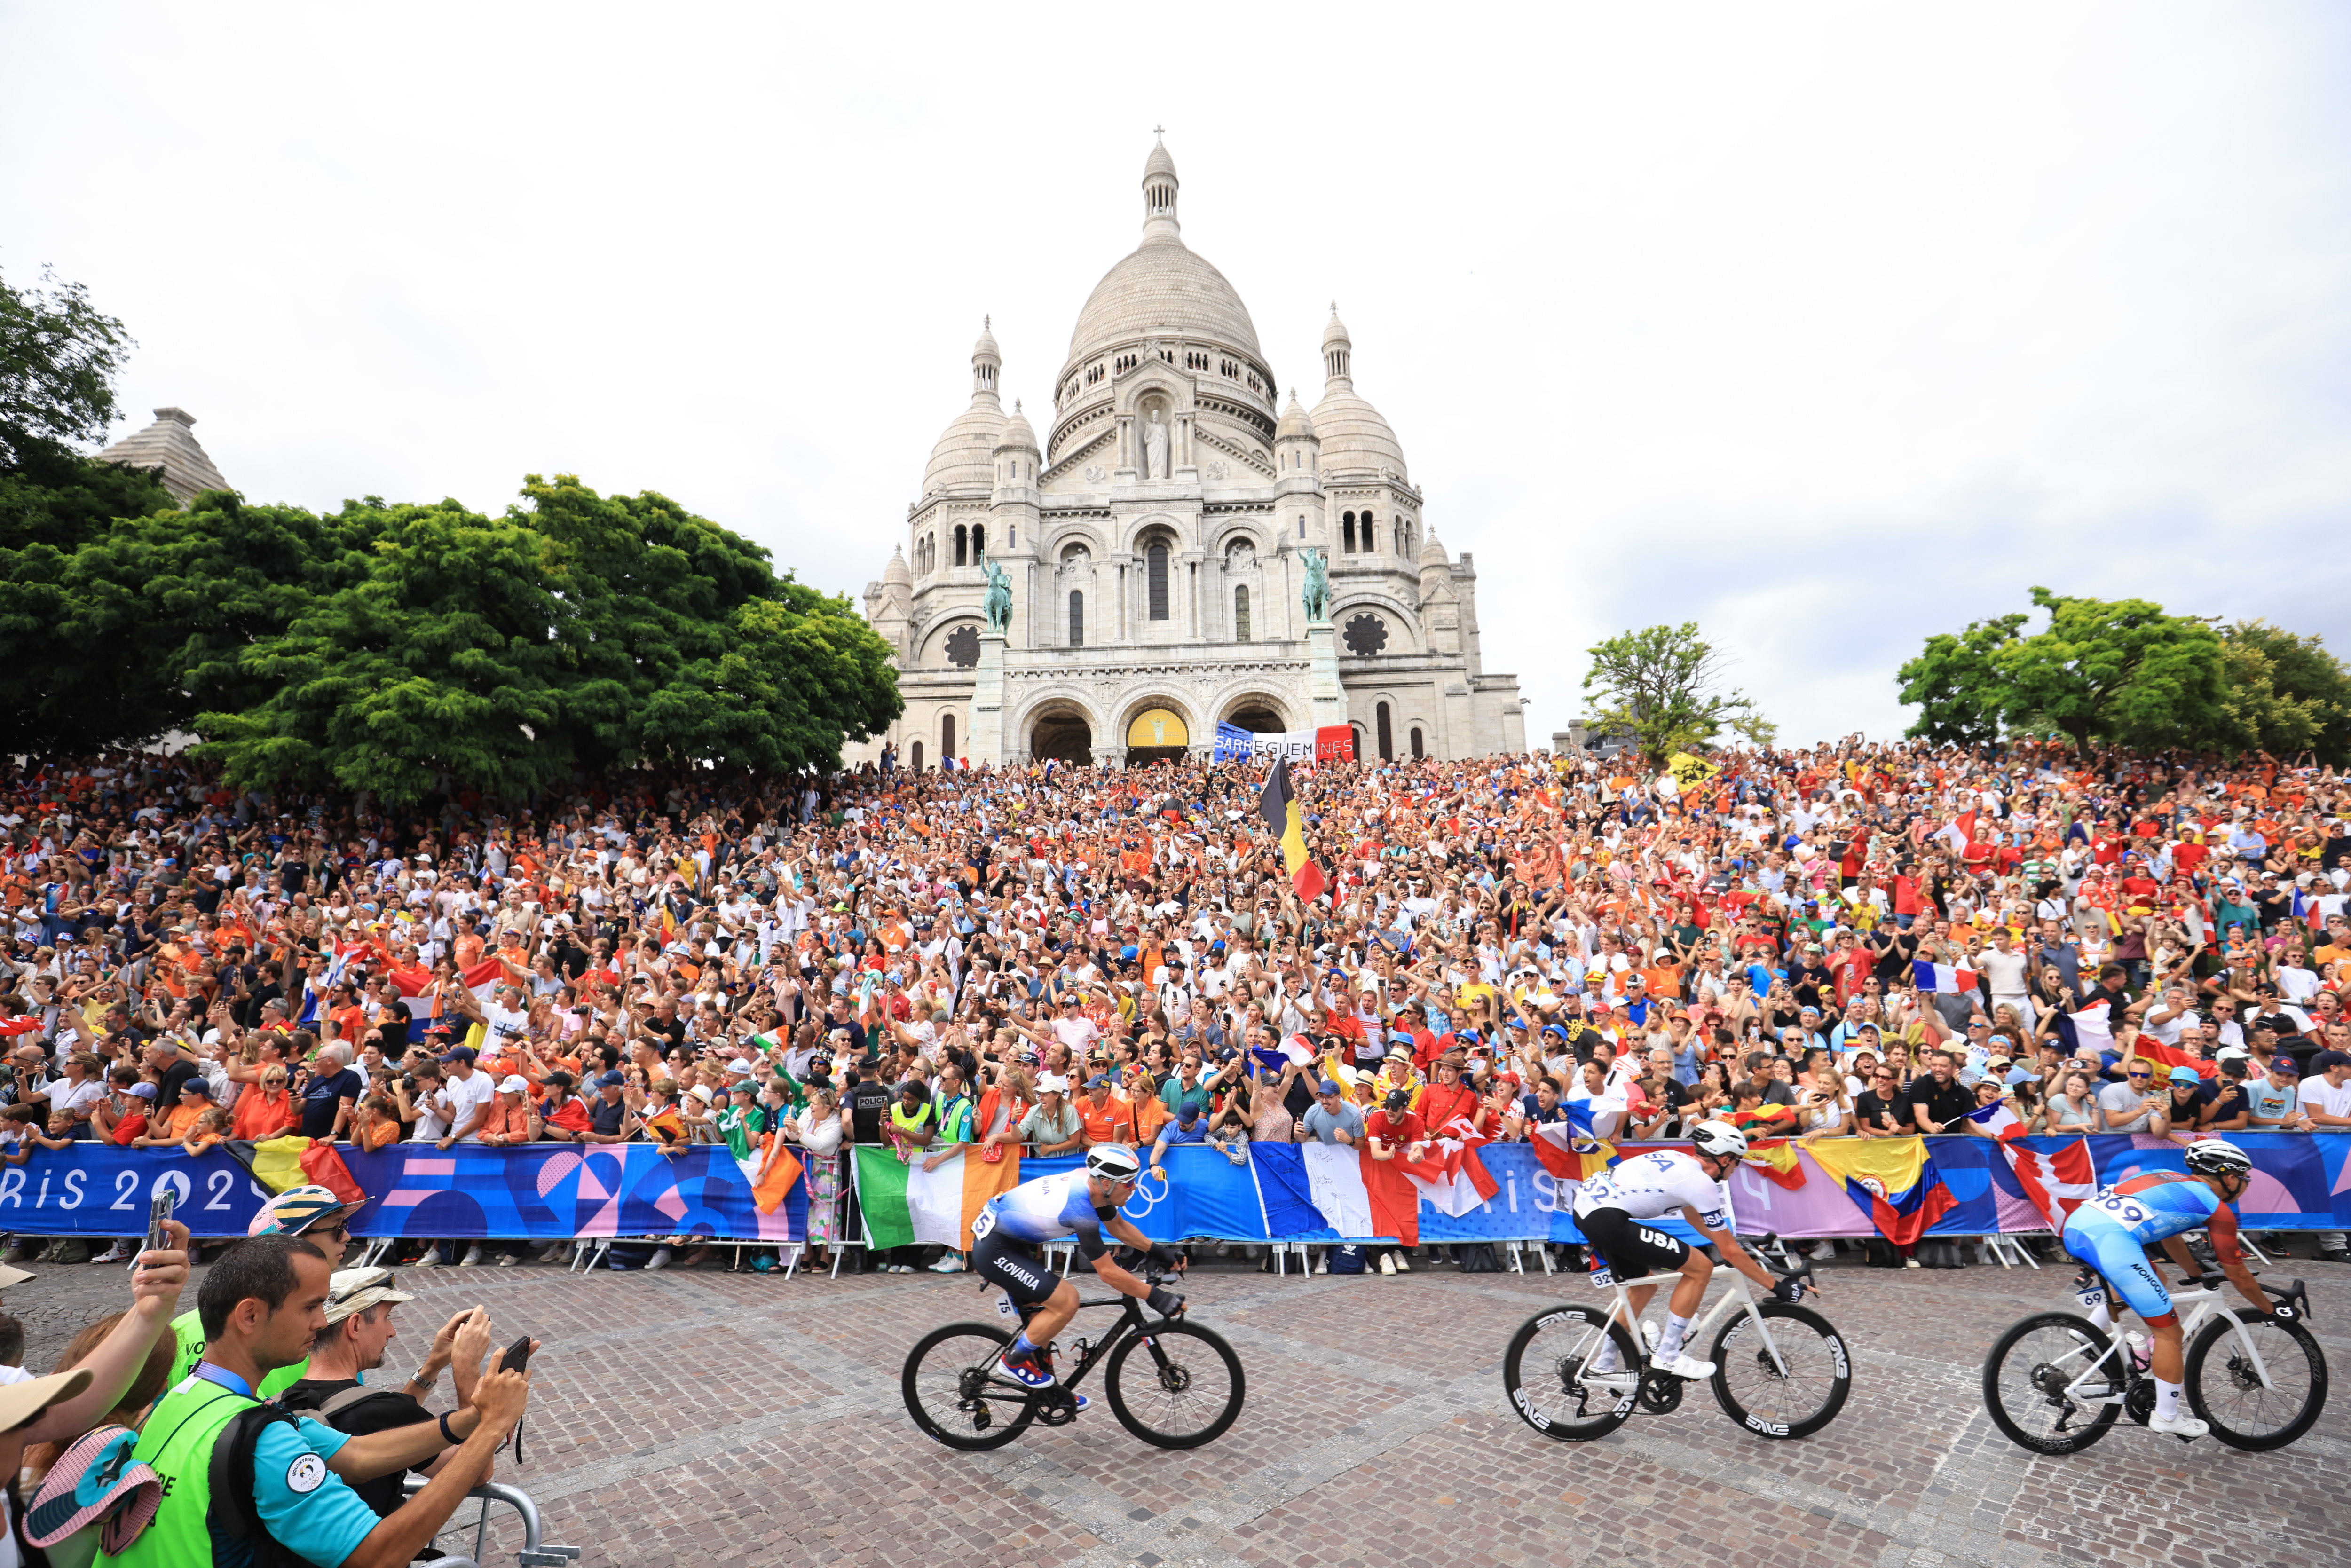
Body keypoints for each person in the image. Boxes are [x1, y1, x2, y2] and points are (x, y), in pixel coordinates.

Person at [100, 1235, 531, 1568]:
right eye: (310, 1307)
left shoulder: (182, 1400)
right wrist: (491, 1427)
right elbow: (378, 1554)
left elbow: (359, 1454)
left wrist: (471, 1417)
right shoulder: (262, 1439)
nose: (323, 1322)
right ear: (250, 1316)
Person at [2059, 1140, 2280, 1440]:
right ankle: (2167, 1416)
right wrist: (2271, 1310)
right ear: (2230, 1178)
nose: (2246, 1185)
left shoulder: (2166, 1176)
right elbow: (2238, 1274)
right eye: (2246, 1179)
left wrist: (2194, 1271)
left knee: (2157, 1276)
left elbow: (2168, 1234)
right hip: (2112, 1241)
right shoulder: (2217, 1207)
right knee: (2169, 1333)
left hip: (2078, 1226)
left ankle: (2091, 1330)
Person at [1569, 1121, 1803, 1384]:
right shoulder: (1700, 1182)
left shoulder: (1679, 1160)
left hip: (1587, 1210)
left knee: (1643, 1288)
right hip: (1607, 1219)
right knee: (1700, 1267)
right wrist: (1777, 1286)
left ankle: (1605, 1364)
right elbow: (1727, 1251)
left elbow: (1697, 1222)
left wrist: (1738, 1243)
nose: (1737, 1169)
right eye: (1737, 1162)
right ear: (1725, 1159)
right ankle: (1668, 1354)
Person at [279, 1269, 504, 1527]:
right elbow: (477, 1472)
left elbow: (390, 1421)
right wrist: (466, 1367)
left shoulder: (284, 1401)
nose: (392, 1331)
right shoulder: (381, 1410)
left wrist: (432, 1367)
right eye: (387, 1318)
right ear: (355, 1326)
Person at [969, 1144, 1185, 1405]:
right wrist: (1154, 1296)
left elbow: (1118, 1226)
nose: (1134, 1188)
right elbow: (1107, 1272)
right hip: (996, 1249)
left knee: (1044, 1321)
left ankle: (1048, 1396)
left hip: (1011, 1242)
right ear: (1106, 1183)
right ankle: (1012, 1362)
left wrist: (1160, 1252)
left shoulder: (1094, 1187)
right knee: (1067, 1300)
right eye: (1128, 1183)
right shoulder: (1080, 1207)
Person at [169, 1185, 365, 1395]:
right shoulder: (334, 1326)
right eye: (337, 1228)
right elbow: (349, 1410)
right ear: (293, 1242)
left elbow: (154, 1410)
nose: (346, 1237)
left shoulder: (179, 1328)